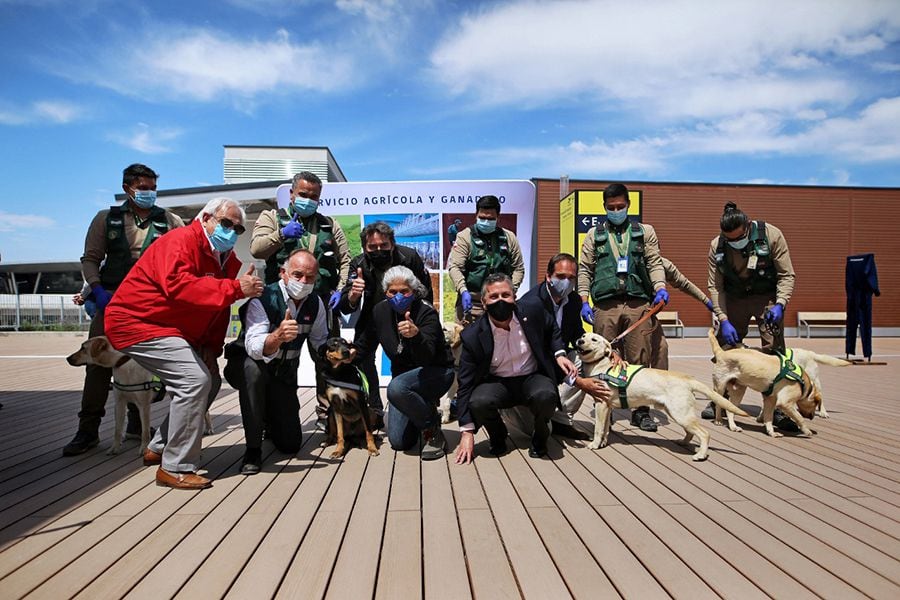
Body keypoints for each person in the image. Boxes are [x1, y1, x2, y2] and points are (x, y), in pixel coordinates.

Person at [104, 197, 264, 490]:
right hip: (136, 322)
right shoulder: (179, 241)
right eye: (226, 223)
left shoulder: (228, 260)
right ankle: (175, 466)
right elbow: (179, 286)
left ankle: (159, 445)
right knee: (193, 380)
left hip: (172, 328)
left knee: (210, 380)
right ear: (205, 219)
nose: (231, 231)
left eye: (238, 229)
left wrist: (211, 350)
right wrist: (235, 287)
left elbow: (217, 310)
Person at [63, 163, 185, 457]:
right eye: (143, 188)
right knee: (96, 363)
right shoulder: (106, 219)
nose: (149, 193)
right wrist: (97, 288)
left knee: (146, 363)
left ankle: (135, 424)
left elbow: (183, 256)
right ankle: (88, 430)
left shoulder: (169, 220)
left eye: (153, 188)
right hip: (112, 301)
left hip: (150, 305)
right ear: (128, 188)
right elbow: (90, 258)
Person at [250, 171, 351, 428]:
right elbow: (256, 249)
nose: (309, 200)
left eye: (314, 196)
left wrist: (341, 289)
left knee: (327, 360)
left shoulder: (330, 224)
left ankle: (326, 412)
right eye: (303, 195)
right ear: (292, 194)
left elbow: (345, 260)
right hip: (282, 303)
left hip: (321, 303)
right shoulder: (272, 218)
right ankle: (274, 413)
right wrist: (282, 234)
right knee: (280, 357)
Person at [454, 273, 578, 464]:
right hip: (498, 382)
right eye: (494, 297)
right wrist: (467, 431)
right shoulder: (472, 336)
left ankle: (540, 436)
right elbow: (465, 383)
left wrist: (559, 353)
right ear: (484, 303)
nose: (501, 300)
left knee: (547, 395)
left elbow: (552, 327)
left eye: (506, 295)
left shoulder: (533, 309)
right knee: (478, 401)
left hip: (531, 377)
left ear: (514, 296)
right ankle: (498, 435)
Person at [224, 249, 328, 475]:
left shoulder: (316, 303)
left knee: (290, 444)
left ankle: (271, 419)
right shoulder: (263, 299)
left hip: (283, 375)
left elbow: (320, 343)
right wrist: (278, 336)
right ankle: (252, 449)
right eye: (298, 275)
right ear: (283, 273)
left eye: (310, 277)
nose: (304, 282)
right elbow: (253, 349)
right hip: (248, 368)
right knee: (254, 372)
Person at [577, 182, 668, 433]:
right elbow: (585, 269)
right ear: (604, 207)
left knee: (639, 357)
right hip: (605, 305)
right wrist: (584, 300)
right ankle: (605, 406)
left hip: (638, 302)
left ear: (629, 204)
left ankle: (641, 410)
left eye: (620, 206)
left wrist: (660, 286)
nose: (616, 210)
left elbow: (654, 262)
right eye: (611, 207)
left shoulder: (644, 231)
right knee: (602, 358)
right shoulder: (594, 235)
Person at [704, 201, 796, 427]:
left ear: (747, 226)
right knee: (725, 348)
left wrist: (780, 304)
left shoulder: (771, 235)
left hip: (765, 297)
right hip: (734, 299)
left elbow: (787, 275)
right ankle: (720, 400)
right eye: (730, 240)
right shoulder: (717, 245)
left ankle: (777, 409)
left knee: (775, 352)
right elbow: (715, 286)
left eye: (738, 238)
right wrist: (723, 319)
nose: (735, 243)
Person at [338, 222, 433, 427]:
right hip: (371, 318)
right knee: (363, 360)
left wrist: (424, 318)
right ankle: (375, 410)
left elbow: (425, 290)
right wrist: (354, 295)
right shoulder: (358, 264)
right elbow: (346, 306)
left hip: (405, 316)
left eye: (383, 245)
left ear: (393, 243)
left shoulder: (410, 257)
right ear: (365, 248)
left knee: (410, 358)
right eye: (373, 247)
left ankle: (414, 402)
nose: (378, 250)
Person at [355, 266, 454, 460]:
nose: (398, 296)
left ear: (413, 291)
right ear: (386, 292)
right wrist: (351, 354)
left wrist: (416, 335)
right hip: (403, 379)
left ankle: (432, 428)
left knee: (396, 388)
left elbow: (427, 356)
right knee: (399, 442)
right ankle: (423, 409)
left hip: (436, 372)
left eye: (404, 291)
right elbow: (366, 344)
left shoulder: (427, 312)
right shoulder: (380, 310)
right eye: (393, 292)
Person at [518, 253, 612, 440]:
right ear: (548, 277)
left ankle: (562, 419)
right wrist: (578, 382)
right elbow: (535, 350)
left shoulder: (574, 301)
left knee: (582, 360)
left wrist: (608, 351)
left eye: (571, 278)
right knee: (537, 427)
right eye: (561, 276)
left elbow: (578, 335)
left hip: (558, 358)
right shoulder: (531, 303)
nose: (566, 282)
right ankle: (516, 411)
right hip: (533, 365)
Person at [448, 195, 525, 321]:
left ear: (498, 217)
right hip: (473, 303)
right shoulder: (464, 236)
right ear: (476, 215)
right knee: (467, 339)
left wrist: (511, 290)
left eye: (490, 219)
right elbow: (455, 267)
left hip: (500, 302)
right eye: (482, 218)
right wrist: (463, 290)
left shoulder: (509, 237)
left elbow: (518, 268)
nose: (485, 222)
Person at [649, 257, 715, 370]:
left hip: (648, 316)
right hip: (620, 312)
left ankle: (661, 383)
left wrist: (706, 301)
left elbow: (684, 283)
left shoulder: (662, 264)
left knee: (661, 348)